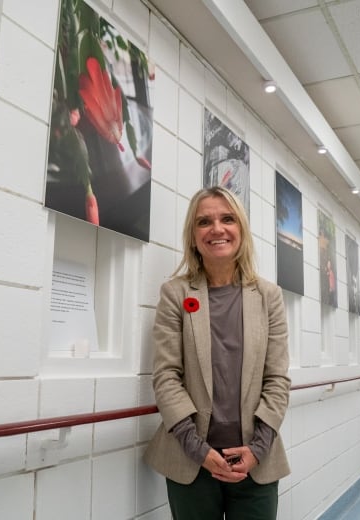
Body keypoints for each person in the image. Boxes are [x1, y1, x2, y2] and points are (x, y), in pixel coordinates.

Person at [144, 186, 291, 519]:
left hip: (256, 461)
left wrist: (257, 449)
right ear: (193, 235)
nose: (217, 229)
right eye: (204, 221)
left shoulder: (269, 296)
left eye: (228, 219)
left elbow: (278, 379)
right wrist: (198, 449)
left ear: (241, 229)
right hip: (191, 462)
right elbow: (167, 375)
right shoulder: (175, 293)